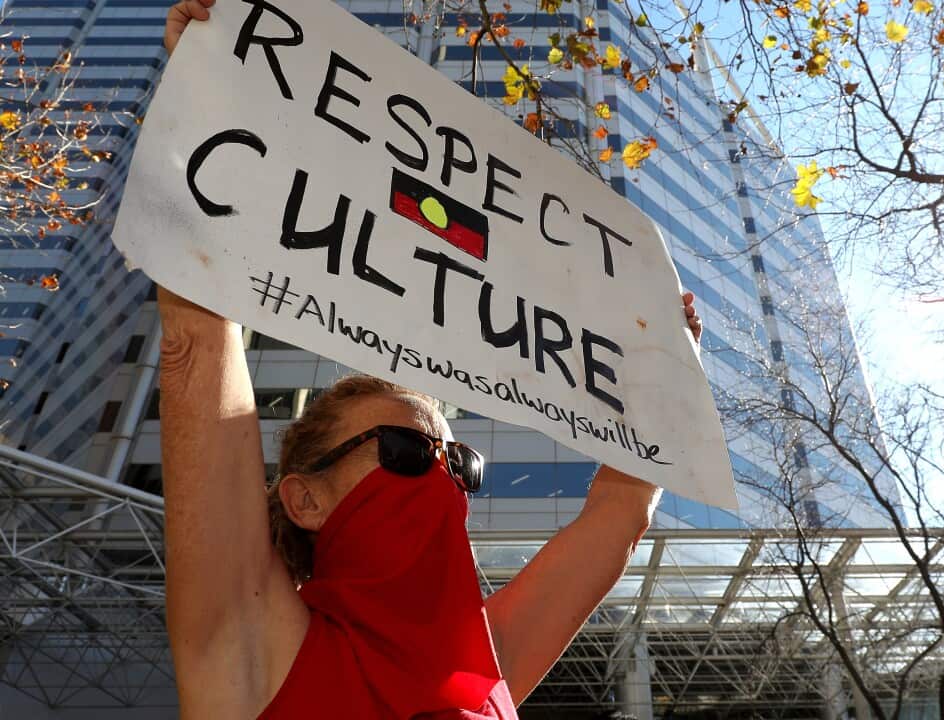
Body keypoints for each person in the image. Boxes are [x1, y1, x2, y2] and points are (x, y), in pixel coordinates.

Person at [159, 2, 705, 717]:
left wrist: (668, 362)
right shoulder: (249, 646)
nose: (444, 478)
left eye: (458, 464)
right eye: (409, 451)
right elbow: (196, 340)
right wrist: (205, 85)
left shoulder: (493, 657)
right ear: (306, 498)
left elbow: (623, 510)